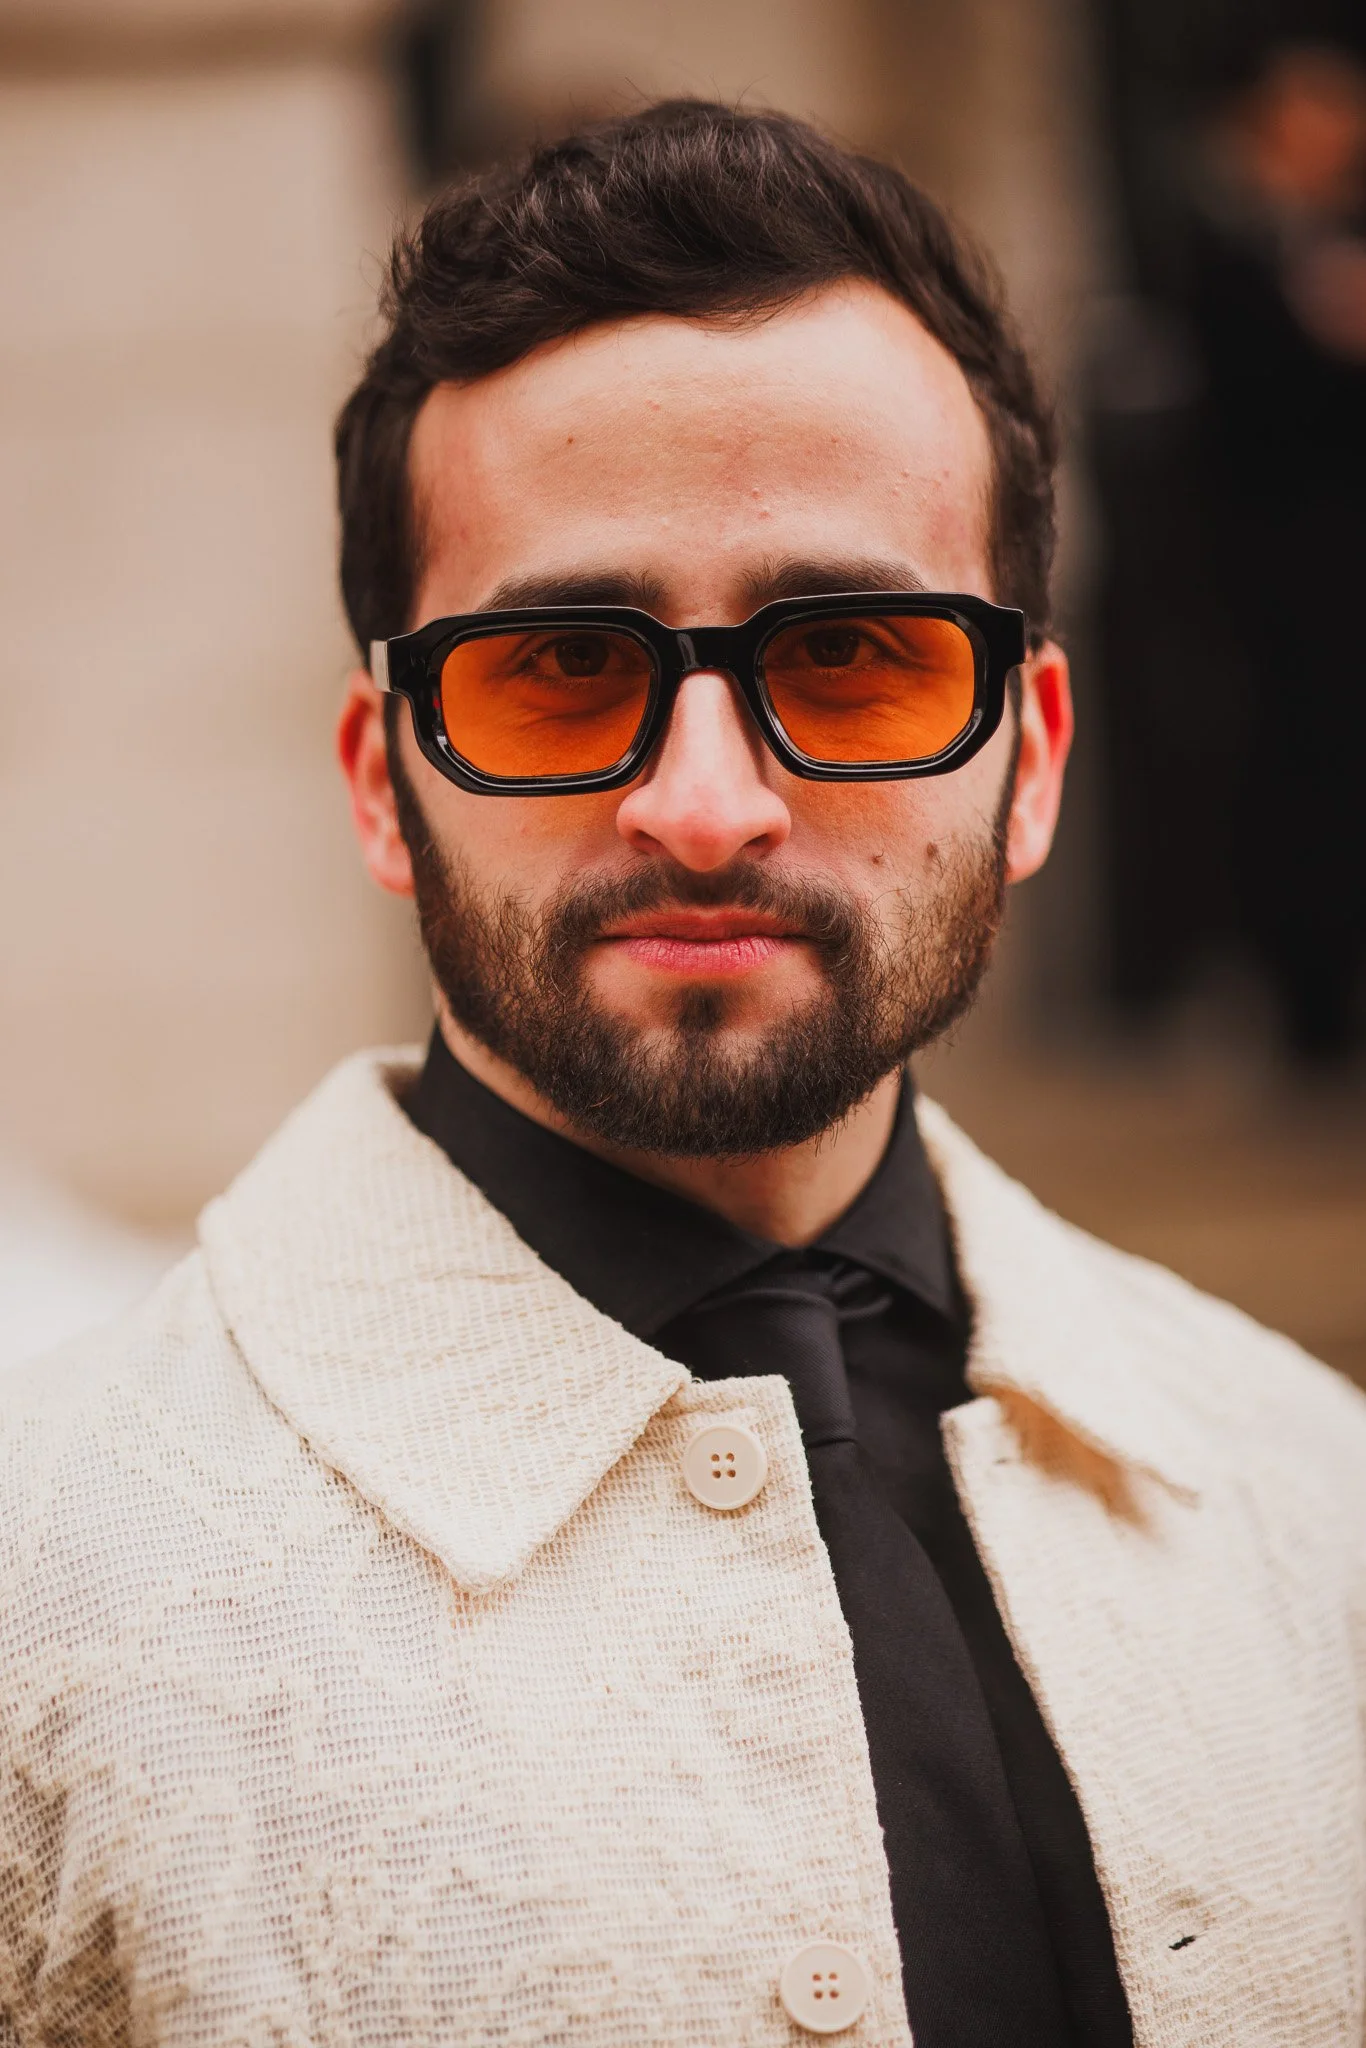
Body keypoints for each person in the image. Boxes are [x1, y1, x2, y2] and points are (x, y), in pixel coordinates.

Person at [1, 102, 1363, 2048]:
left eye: (853, 660)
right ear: (386, 780)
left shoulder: (1308, 1507)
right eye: (556, 668)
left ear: (1032, 756)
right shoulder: (35, 1588)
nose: (705, 807)